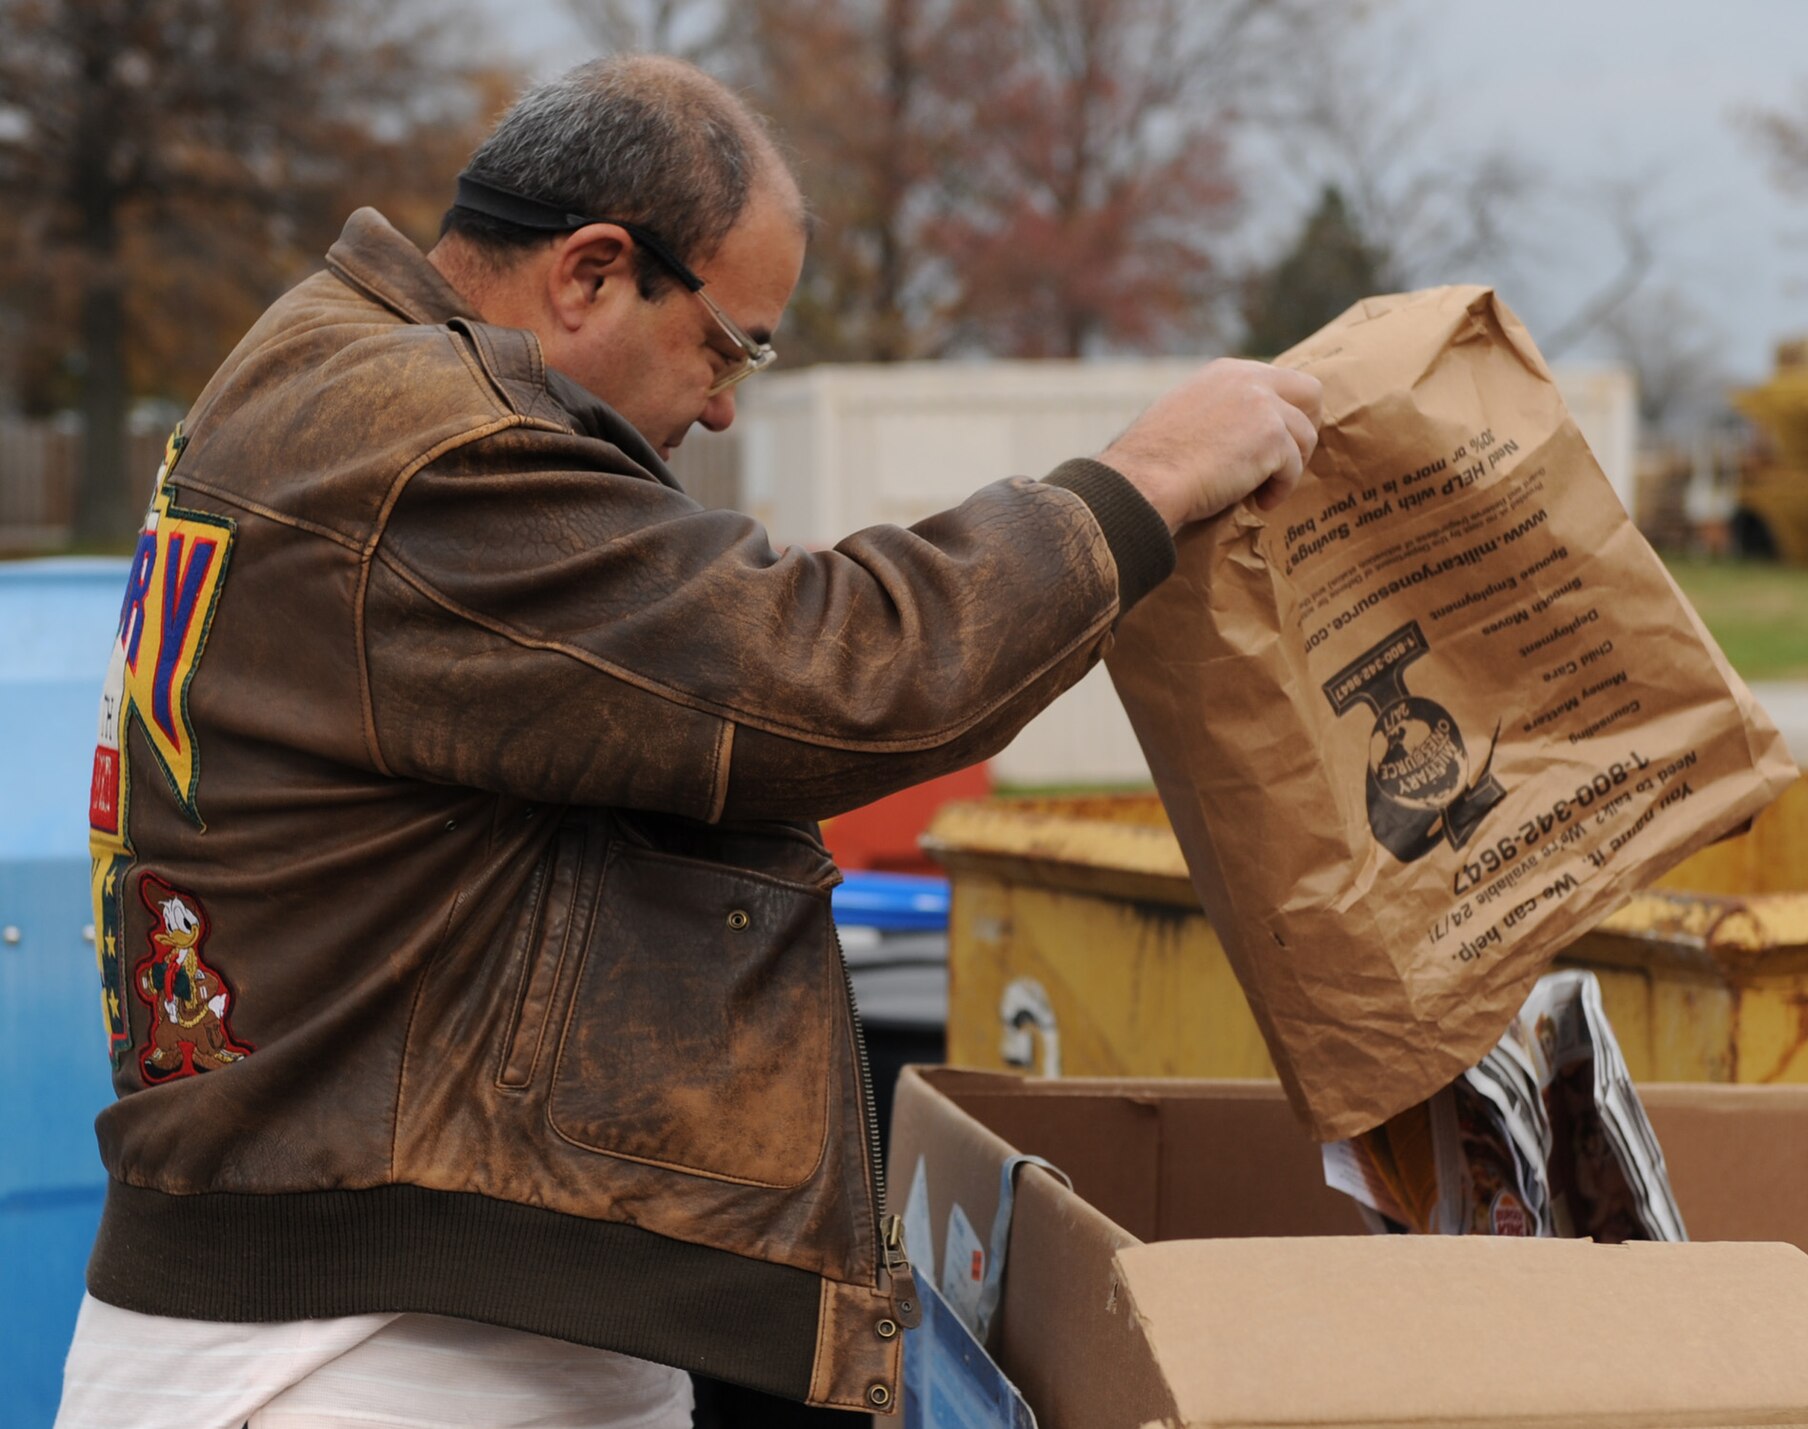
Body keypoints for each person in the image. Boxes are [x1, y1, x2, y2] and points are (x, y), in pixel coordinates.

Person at [58, 54, 1321, 1428]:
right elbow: (828, 675)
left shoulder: (334, 371)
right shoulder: (432, 450)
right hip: (360, 1360)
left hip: (387, 1320)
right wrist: (1138, 487)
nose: (723, 405)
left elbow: (732, 644)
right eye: (729, 345)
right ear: (595, 272)